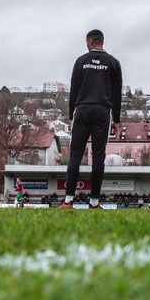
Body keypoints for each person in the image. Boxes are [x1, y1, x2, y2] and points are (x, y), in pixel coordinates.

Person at [61, 30, 122, 210]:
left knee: (75, 156)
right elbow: (116, 93)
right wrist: (116, 120)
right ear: (101, 42)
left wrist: (71, 116)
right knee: (98, 157)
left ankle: (68, 201)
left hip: (82, 110)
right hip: (102, 112)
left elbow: (74, 89)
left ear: (89, 42)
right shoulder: (113, 62)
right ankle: (94, 203)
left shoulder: (81, 61)